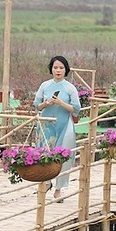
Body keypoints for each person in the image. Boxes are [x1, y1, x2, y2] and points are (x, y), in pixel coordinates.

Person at [33, 55, 81, 201]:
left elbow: (76, 109)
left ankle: (59, 189)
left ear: (66, 70)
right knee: (44, 154)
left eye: (61, 68)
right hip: (46, 125)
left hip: (64, 125)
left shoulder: (70, 88)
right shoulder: (45, 85)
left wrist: (61, 103)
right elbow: (36, 105)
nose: (58, 70)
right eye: (55, 67)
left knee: (63, 156)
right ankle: (46, 182)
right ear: (51, 69)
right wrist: (45, 104)